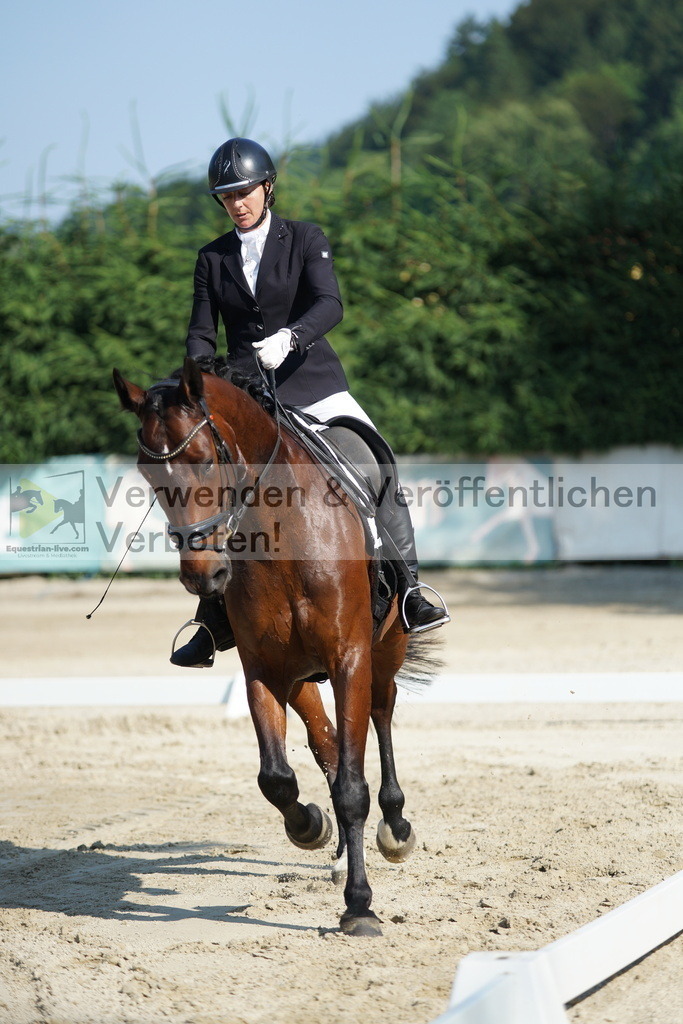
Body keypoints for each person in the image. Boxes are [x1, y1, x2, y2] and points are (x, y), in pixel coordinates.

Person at [171, 137, 449, 667]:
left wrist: (291, 338)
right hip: (250, 399)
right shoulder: (212, 258)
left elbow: (330, 304)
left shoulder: (304, 238)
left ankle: (410, 589)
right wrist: (199, 380)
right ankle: (211, 621)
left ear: (267, 188)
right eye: (226, 195)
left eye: (245, 191)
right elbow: (201, 333)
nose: (237, 202)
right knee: (208, 491)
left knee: (375, 462)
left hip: (314, 385)